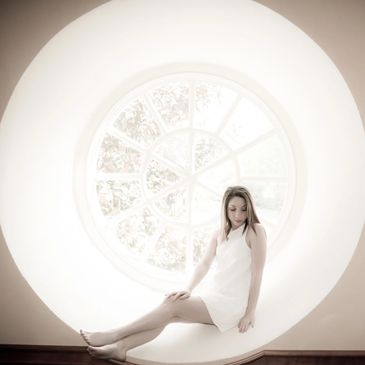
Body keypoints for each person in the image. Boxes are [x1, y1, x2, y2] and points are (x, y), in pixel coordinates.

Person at [80, 185, 267, 364]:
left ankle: (114, 334)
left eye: (243, 210)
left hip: (232, 303)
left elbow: (257, 273)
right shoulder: (219, 233)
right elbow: (203, 264)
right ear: (225, 209)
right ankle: (121, 348)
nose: (238, 215)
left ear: (249, 209)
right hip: (215, 296)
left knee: (171, 304)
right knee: (169, 315)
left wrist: (250, 312)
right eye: (233, 209)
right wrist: (188, 288)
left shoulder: (255, 231)